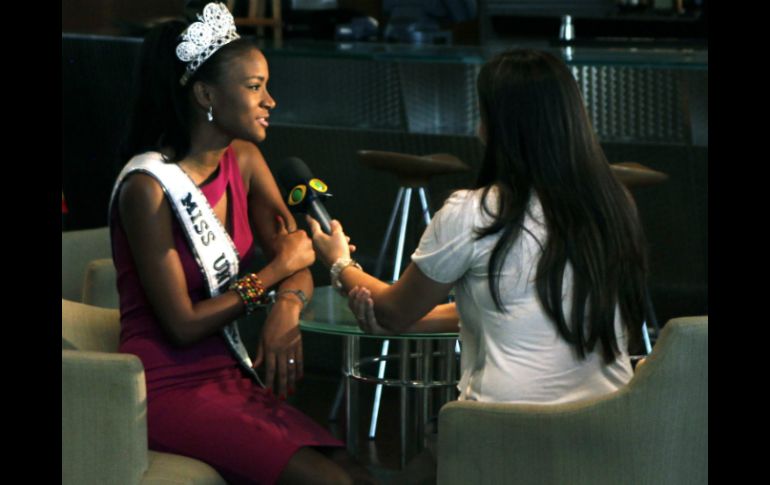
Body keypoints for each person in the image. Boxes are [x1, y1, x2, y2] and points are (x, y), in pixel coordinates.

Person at [110, 3, 372, 483]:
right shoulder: (146, 188)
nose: (270, 100)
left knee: (353, 471)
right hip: (164, 386)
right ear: (206, 94)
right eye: (255, 87)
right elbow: (183, 326)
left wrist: (285, 310)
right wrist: (272, 277)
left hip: (227, 374)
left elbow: (298, 259)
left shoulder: (246, 160)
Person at [308, 48, 648, 405]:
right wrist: (406, 321)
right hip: (609, 425)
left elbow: (393, 309)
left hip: (505, 428)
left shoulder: (473, 212)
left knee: (424, 457)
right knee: (426, 460)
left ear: (492, 127)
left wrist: (339, 263)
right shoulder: (614, 204)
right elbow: (517, 308)